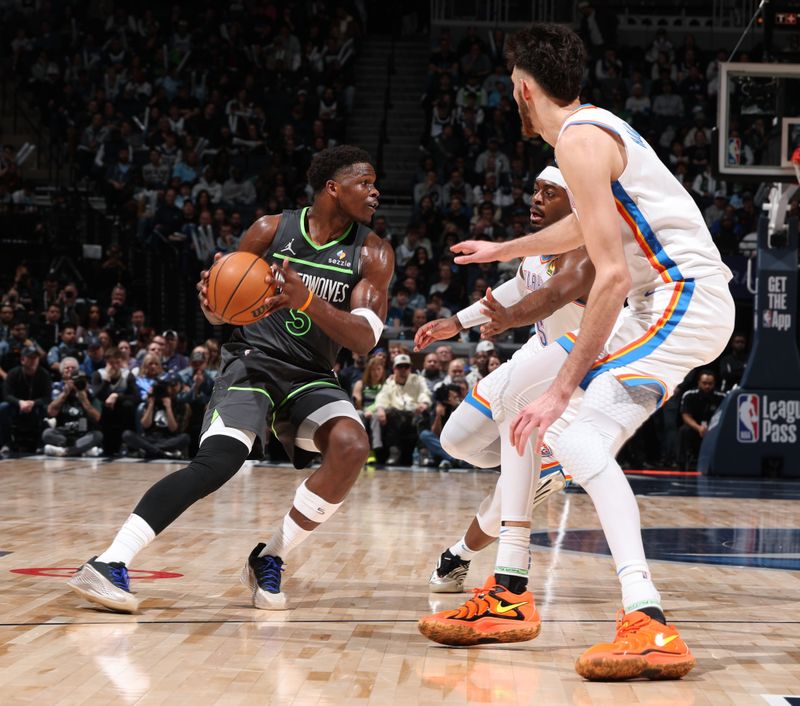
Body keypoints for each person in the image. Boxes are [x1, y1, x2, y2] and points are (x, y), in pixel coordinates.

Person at [427, 24, 734, 681]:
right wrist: (504, 251)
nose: (515, 102)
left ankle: (647, 620)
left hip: (684, 300)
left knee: (565, 424)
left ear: (526, 89)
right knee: (524, 414)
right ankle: (509, 590)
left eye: (514, 91)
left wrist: (564, 385)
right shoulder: (593, 133)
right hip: (670, 306)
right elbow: (591, 225)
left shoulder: (577, 140)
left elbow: (612, 277)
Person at [68, 145, 392, 616]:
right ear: (332, 188)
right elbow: (223, 308)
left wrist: (306, 301)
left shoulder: (373, 252)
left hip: (311, 376)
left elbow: (364, 339)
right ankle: (109, 562)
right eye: (365, 183)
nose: (375, 192)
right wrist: (211, 303)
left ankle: (271, 556)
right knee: (219, 461)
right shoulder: (269, 229)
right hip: (253, 362)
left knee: (352, 447)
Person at [414, 166, 592, 594]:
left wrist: (509, 321)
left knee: (516, 485)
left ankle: (460, 554)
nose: (536, 199)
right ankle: (535, 472)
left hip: (573, 376)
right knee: (456, 440)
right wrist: (456, 323)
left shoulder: (586, 248)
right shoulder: (539, 247)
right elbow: (518, 288)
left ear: (575, 202)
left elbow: (553, 295)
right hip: (534, 355)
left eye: (549, 193)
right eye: (535, 190)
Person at [370, 353, 431, 465]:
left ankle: (424, 454)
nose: (403, 369)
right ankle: (394, 452)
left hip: (414, 414)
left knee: (424, 413)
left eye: (406, 366)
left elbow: (424, 392)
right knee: (390, 413)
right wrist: (380, 409)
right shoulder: (389, 382)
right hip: (396, 416)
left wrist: (424, 403)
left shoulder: (418, 379)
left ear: (410, 368)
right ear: (394, 369)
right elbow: (381, 397)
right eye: (400, 367)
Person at [42, 357, 103, 457]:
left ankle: (65, 451)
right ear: (62, 375)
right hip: (64, 434)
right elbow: (50, 412)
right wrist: (64, 395)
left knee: (98, 435)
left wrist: (84, 400)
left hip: (84, 434)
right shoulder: (58, 389)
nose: (70, 370)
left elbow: (98, 418)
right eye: (67, 368)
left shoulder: (89, 392)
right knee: (47, 433)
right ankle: (83, 450)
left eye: (73, 368)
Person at [121, 371, 191, 459]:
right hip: (149, 438)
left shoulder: (180, 404)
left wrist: (168, 408)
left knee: (185, 438)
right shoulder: (152, 401)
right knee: (127, 434)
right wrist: (151, 405)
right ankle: (163, 453)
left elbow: (173, 429)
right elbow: (145, 425)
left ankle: (148, 451)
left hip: (168, 439)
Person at [0, 346, 51, 455]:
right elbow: (6, 395)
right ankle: (7, 443)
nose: (33, 361)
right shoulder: (13, 373)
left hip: (35, 407)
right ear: (23, 360)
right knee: (3, 407)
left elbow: (47, 397)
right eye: (30, 358)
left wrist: (33, 403)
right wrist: (20, 402)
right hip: (17, 406)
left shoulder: (44, 375)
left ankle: (41, 444)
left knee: (46, 408)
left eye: (35, 358)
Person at [677, 370, 725, 470]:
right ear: (698, 382)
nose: (707, 386)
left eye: (710, 384)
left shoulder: (722, 397)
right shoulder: (689, 395)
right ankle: (681, 465)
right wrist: (699, 428)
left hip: (714, 430)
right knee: (684, 431)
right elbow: (686, 416)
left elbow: (724, 416)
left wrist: (712, 430)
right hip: (696, 428)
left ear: (714, 383)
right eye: (704, 383)